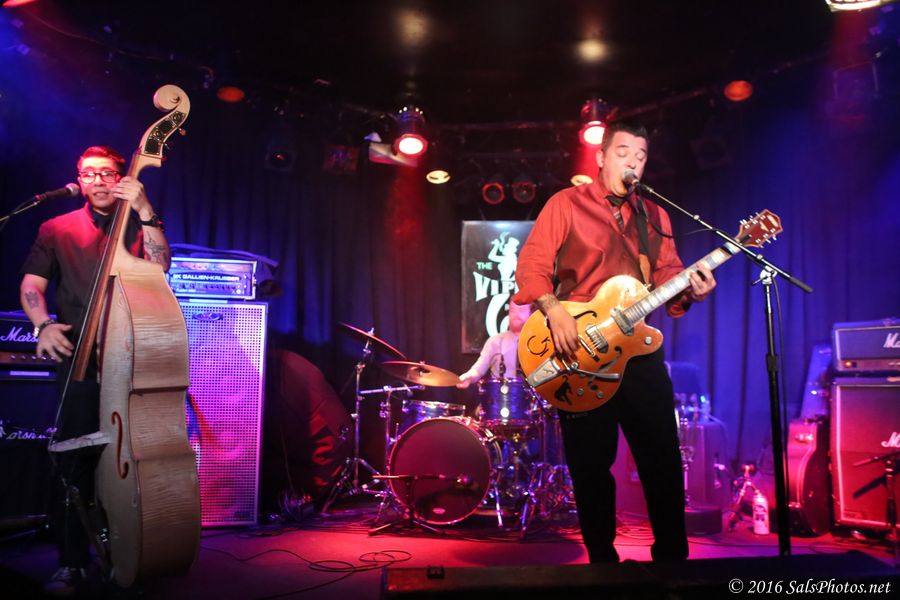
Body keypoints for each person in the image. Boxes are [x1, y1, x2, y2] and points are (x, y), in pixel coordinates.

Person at [512, 119, 716, 563]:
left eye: (641, 156)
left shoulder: (654, 215)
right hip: (579, 349)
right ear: (602, 157)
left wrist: (690, 290)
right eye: (623, 153)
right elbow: (531, 266)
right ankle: (602, 563)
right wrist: (554, 310)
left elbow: (667, 275)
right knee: (591, 463)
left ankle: (673, 562)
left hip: (638, 353)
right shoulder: (566, 204)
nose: (633, 163)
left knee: (662, 456)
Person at [19, 145, 171, 595]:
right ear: (79, 180)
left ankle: (136, 549)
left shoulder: (142, 224)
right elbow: (32, 285)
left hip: (134, 357)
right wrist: (42, 324)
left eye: (107, 173)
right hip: (79, 358)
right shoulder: (56, 228)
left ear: (123, 177)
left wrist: (145, 208)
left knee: (137, 460)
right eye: (89, 174)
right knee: (73, 460)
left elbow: (161, 268)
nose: (98, 181)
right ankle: (72, 563)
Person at [457, 301, 532, 388]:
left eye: (521, 310)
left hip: (532, 394)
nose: (516, 314)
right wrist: (468, 377)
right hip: (502, 393)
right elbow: (478, 369)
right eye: (512, 310)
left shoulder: (539, 341)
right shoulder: (495, 341)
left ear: (531, 313)